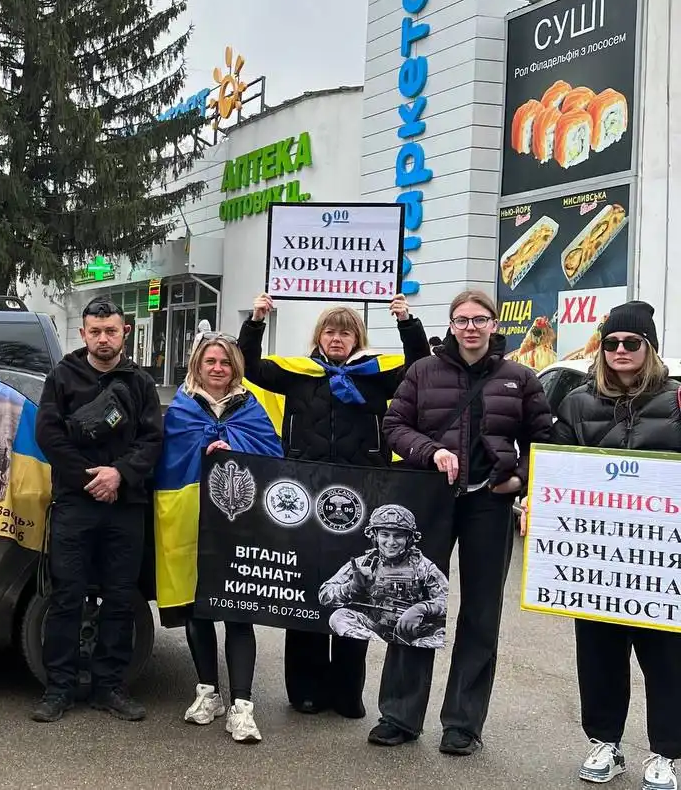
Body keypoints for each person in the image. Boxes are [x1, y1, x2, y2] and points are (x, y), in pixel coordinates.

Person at [370, 288, 550, 757]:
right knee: (415, 602)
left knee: (480, 612)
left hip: (489, 504)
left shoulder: (521, 377)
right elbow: (393, 427)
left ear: (494, 325)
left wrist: (520, 481)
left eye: (479, 319)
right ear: (451, 326)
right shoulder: (423, 371)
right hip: (430, 499)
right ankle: (399, 715)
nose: (470, 327)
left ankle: (463, 724)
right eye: (461, 320)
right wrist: (432, 452)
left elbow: (545, 441)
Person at [237, 292, 430, 718]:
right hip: (304, 495)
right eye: (330, 330)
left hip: (363, 495)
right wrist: (256, 320)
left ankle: (346, 692)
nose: (337, 337)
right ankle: (304, 689)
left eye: (345, 331)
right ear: (319, 337)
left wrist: (406, 320)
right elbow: (248, 366)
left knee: (356, 594)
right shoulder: (297, 374)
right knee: (305, 592)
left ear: (357, 337)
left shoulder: (376, 375)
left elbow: (420, 366)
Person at [548, 301, 681, 790]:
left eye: (632, 343)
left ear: (650, 349)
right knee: (599, 654)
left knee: (667, 658)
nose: (621, 350)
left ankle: (667, 753)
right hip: (596, 560)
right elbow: (554, 465)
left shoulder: (678, 401)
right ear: (601, 350)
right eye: (612, 343)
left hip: (664, 563)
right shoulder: (577, 403)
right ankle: (605, 743)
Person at [31, 298, 163, 724]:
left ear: (124, 332)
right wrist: (93, 479)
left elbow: (152, 440)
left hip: (126, 506)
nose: (103, 338)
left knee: (121, 599)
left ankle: (110, 687)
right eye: (95, 331)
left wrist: (120, 475)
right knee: (67, 597)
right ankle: (59, 688)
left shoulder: (141, 382)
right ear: (83, 334)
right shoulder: (62, 377)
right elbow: (49, 437)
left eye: (111, 330)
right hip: (75, 503)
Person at [155, 333, 280, 743]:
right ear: (197, 365)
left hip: (238, 520)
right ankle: (207, 691)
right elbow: (169, 457)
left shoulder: (252, 408)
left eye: (225, 362)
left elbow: (272, 455)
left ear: (235, 368)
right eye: (210, 361)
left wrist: (234, 447)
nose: (217, 368)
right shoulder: (181, 410)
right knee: (199, 607)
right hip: (189, 518)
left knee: (238, 608)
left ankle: (242, 704)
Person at [320, 504, 448, 647]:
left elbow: (446, 599)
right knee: (339, 617)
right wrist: (352, 587)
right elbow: (325, 595)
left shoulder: (423, 566)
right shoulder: (364, 564)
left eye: (398, 536)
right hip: (375, 627)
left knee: (440, 635)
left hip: (413, 629)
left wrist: (422, 608)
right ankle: (380, 647)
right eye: (385, 535)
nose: (391, 542)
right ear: (375, 536)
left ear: (409, 538)